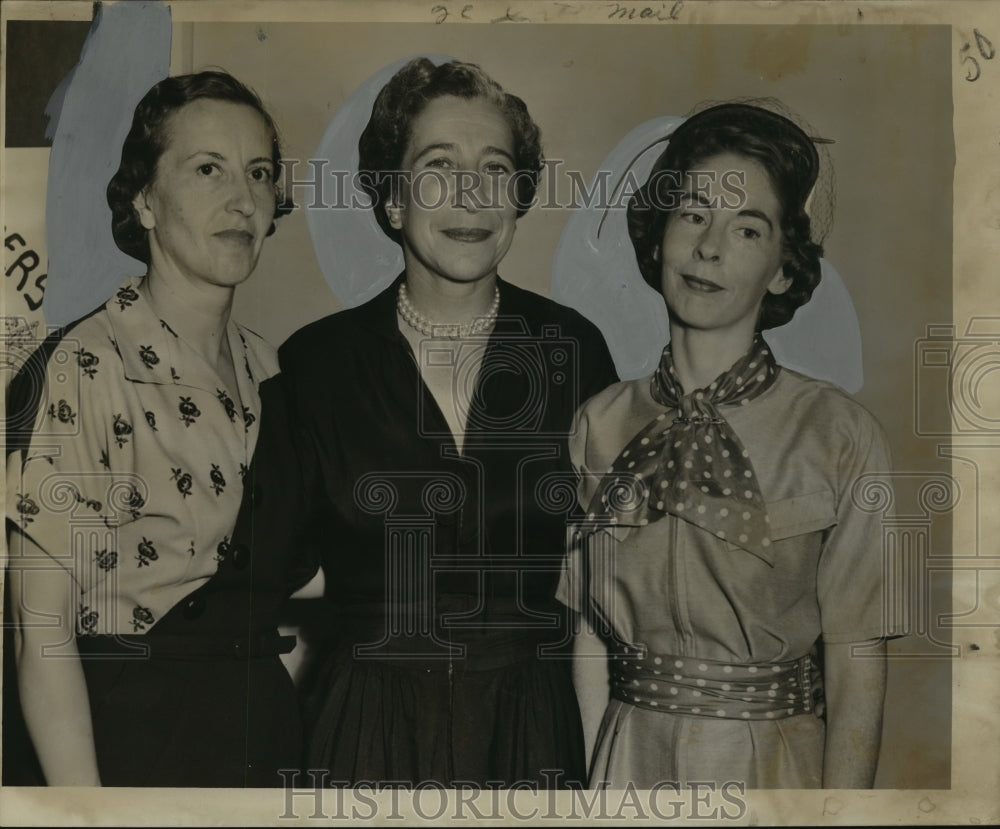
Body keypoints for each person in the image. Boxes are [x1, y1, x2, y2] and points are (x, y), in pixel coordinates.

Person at [280, 58, 618, 787]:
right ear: (392, 199)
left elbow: (607, 592)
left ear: (519, 199)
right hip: (364, 734)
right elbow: (267, 574)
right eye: (438, 167)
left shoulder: (575, 351)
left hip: (534, 730)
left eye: (495, 170)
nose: (470, 193)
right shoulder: (316, 365)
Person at [560, 102, 892, 789]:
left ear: (781, 267)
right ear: (658, 238)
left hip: (772, 771)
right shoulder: (598, 424)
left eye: (747, 228)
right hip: (628, 762)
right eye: (693, 214)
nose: (710, 248)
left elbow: (859, 658)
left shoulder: (838, 432)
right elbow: (590, 637)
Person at [5, 70, 300, 787]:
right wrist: (87, 813)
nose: (242, 199)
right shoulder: (82, 367)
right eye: (208, 170)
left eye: (259, 174)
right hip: (134, 747)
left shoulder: (274, 369)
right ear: (144, 198)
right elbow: (40, 635)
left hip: (265, 747)